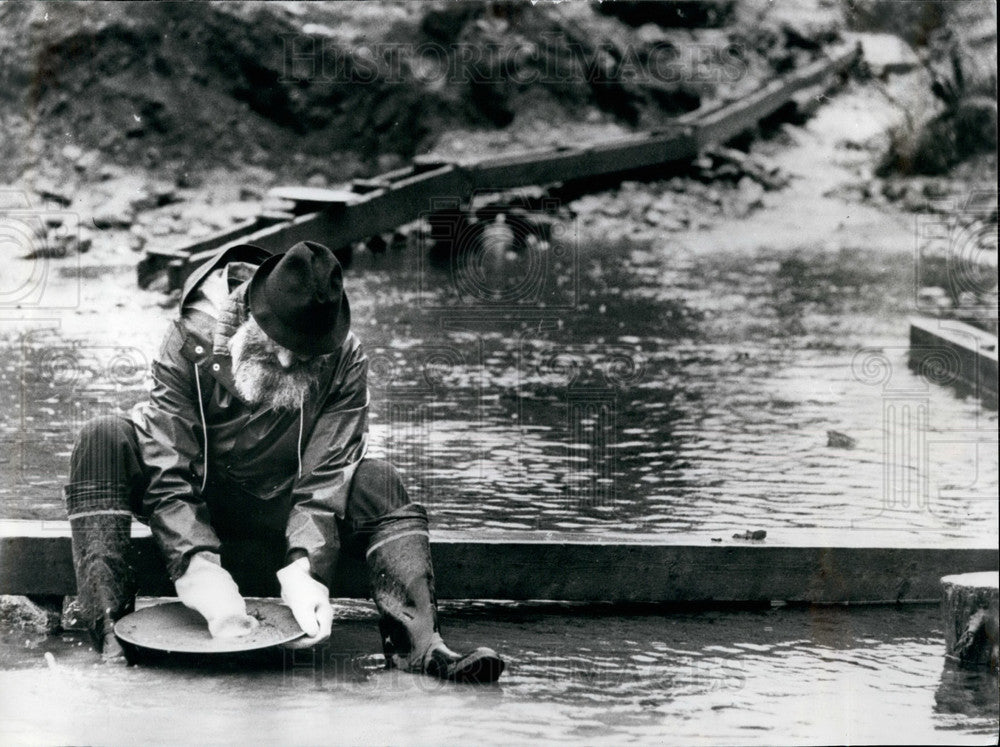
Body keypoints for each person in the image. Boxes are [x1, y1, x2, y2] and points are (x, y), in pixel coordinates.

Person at [63, 240, 505, 683]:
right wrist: (197, 566)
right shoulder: (187, 340)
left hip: (283, 516)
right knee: (102, 437)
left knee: (378, 479)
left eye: (305, 352)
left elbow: (329, 474)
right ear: (253, 312)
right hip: (196, 507)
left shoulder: (346, 359)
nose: (288, 359)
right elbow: (168, 467)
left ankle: (423, 650)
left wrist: (305, 571)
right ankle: (110, 641)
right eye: (277, 343)